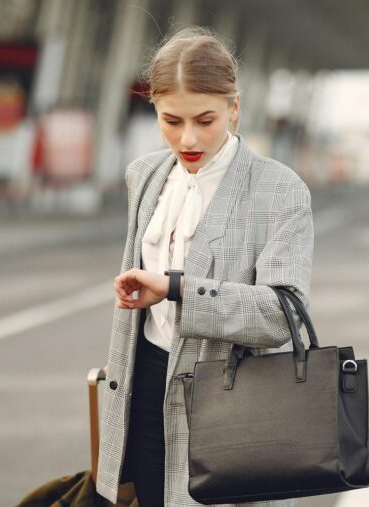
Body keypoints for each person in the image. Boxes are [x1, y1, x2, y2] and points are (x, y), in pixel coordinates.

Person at [96, 27, 313, 507]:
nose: (188, 138)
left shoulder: (279, 189)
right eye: (171, 120)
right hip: (146, 391)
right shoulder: (145, 175)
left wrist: (177, 288)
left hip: (234, 400)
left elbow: (285, 315)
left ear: (234, 108)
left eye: (206, 119)